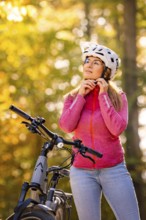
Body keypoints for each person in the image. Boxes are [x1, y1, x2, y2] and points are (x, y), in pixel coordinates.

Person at [59, 42, 140, 220]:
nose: (89, 64)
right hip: (81, 172)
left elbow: (116, 129)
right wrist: (80, 96)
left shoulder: (118, 97)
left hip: (114, 170)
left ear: (107, 71)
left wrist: (103, 95)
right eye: (87, 60)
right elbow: (66, 126)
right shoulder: (72, 97)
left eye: (96, 62)